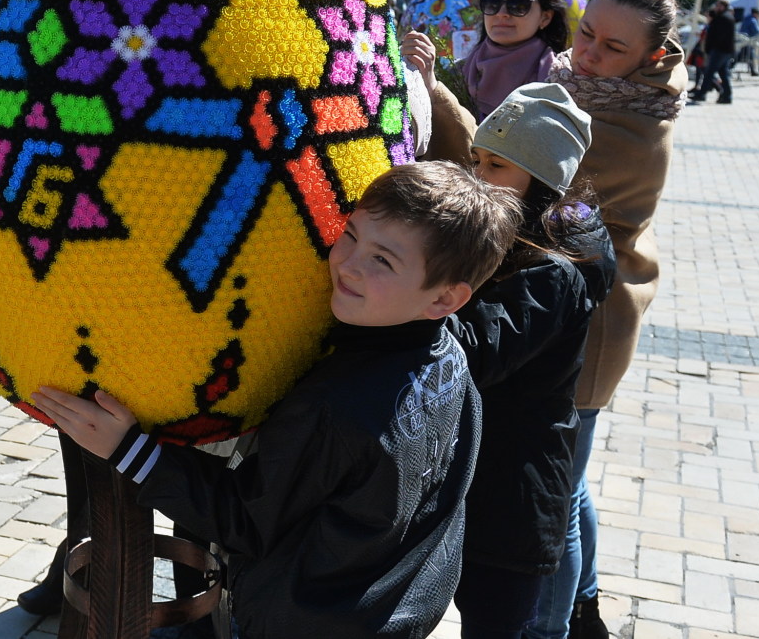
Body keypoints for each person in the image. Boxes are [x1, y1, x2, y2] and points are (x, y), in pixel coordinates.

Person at [33, 161, 524, 639]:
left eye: (382, 260)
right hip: (393, 611)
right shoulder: (451, 357)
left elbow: (244, 519)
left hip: (304, 618)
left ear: (444, 299)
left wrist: (128, 450)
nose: (347, 263)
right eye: (350, 234)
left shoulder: (336, 407)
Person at [409, 0, 684, 639]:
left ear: (652, 57)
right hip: (559, 308)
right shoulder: (576, 85)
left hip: (586, 324)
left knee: (552, 502)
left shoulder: (632, 127)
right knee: (565, 484)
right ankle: (581, 601)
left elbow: (510, 182)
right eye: (587, 32)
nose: (587, 53)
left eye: (612, 48)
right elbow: (500, 163)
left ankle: (552, 624)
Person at [448, 83, 616, 639]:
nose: (479, 176)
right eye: (475, 159)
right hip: (480, 477)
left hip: (513, 493)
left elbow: (476, 350)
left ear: (542, 182)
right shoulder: (505, 233)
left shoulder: (553, 272)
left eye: (497, 164)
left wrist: (415, 298)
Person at [455, 0, 569, 120]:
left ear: (545, 17)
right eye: (492, 2)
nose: (502, 13)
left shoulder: (562, 82)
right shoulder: (457, 73)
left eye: (519, 5)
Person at [690, 0, 734, 104]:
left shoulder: (723, 18)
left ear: (723, 7)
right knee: (723, 74)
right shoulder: (724, 17)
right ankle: (727, 96)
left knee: (709, 72)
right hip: (723, 50)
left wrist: (710, 48)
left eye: (718, 6)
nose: (716, 8)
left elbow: (717, 35)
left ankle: (702, 94)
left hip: (720, 50)